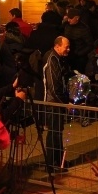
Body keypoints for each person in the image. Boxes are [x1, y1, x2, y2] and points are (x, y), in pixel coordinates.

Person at [43, 36, 71, 174]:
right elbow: (54, 87)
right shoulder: (52, 60)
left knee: (56, 131)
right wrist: (64, 103)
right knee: (54, 132)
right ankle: (52, 163)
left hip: (55, 101)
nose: (68, 49)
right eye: (66, 46)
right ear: (57, 46)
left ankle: (58, 160)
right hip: (53, 102)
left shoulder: (56, 59)